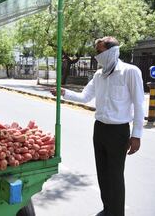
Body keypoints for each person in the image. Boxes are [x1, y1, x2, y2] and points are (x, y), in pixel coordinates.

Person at [51, 36, 145, 216]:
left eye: (99, 51)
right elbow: (85, 97)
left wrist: (137, 135)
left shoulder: (130, 72)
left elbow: (139, 104)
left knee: (115, 175)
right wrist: (64, 93)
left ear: (111, 51)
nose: (96, 56)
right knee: (102, 173)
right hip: (99, 129)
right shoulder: (98, 75)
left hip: (118, 131)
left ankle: (116, 213)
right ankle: (107, 209)